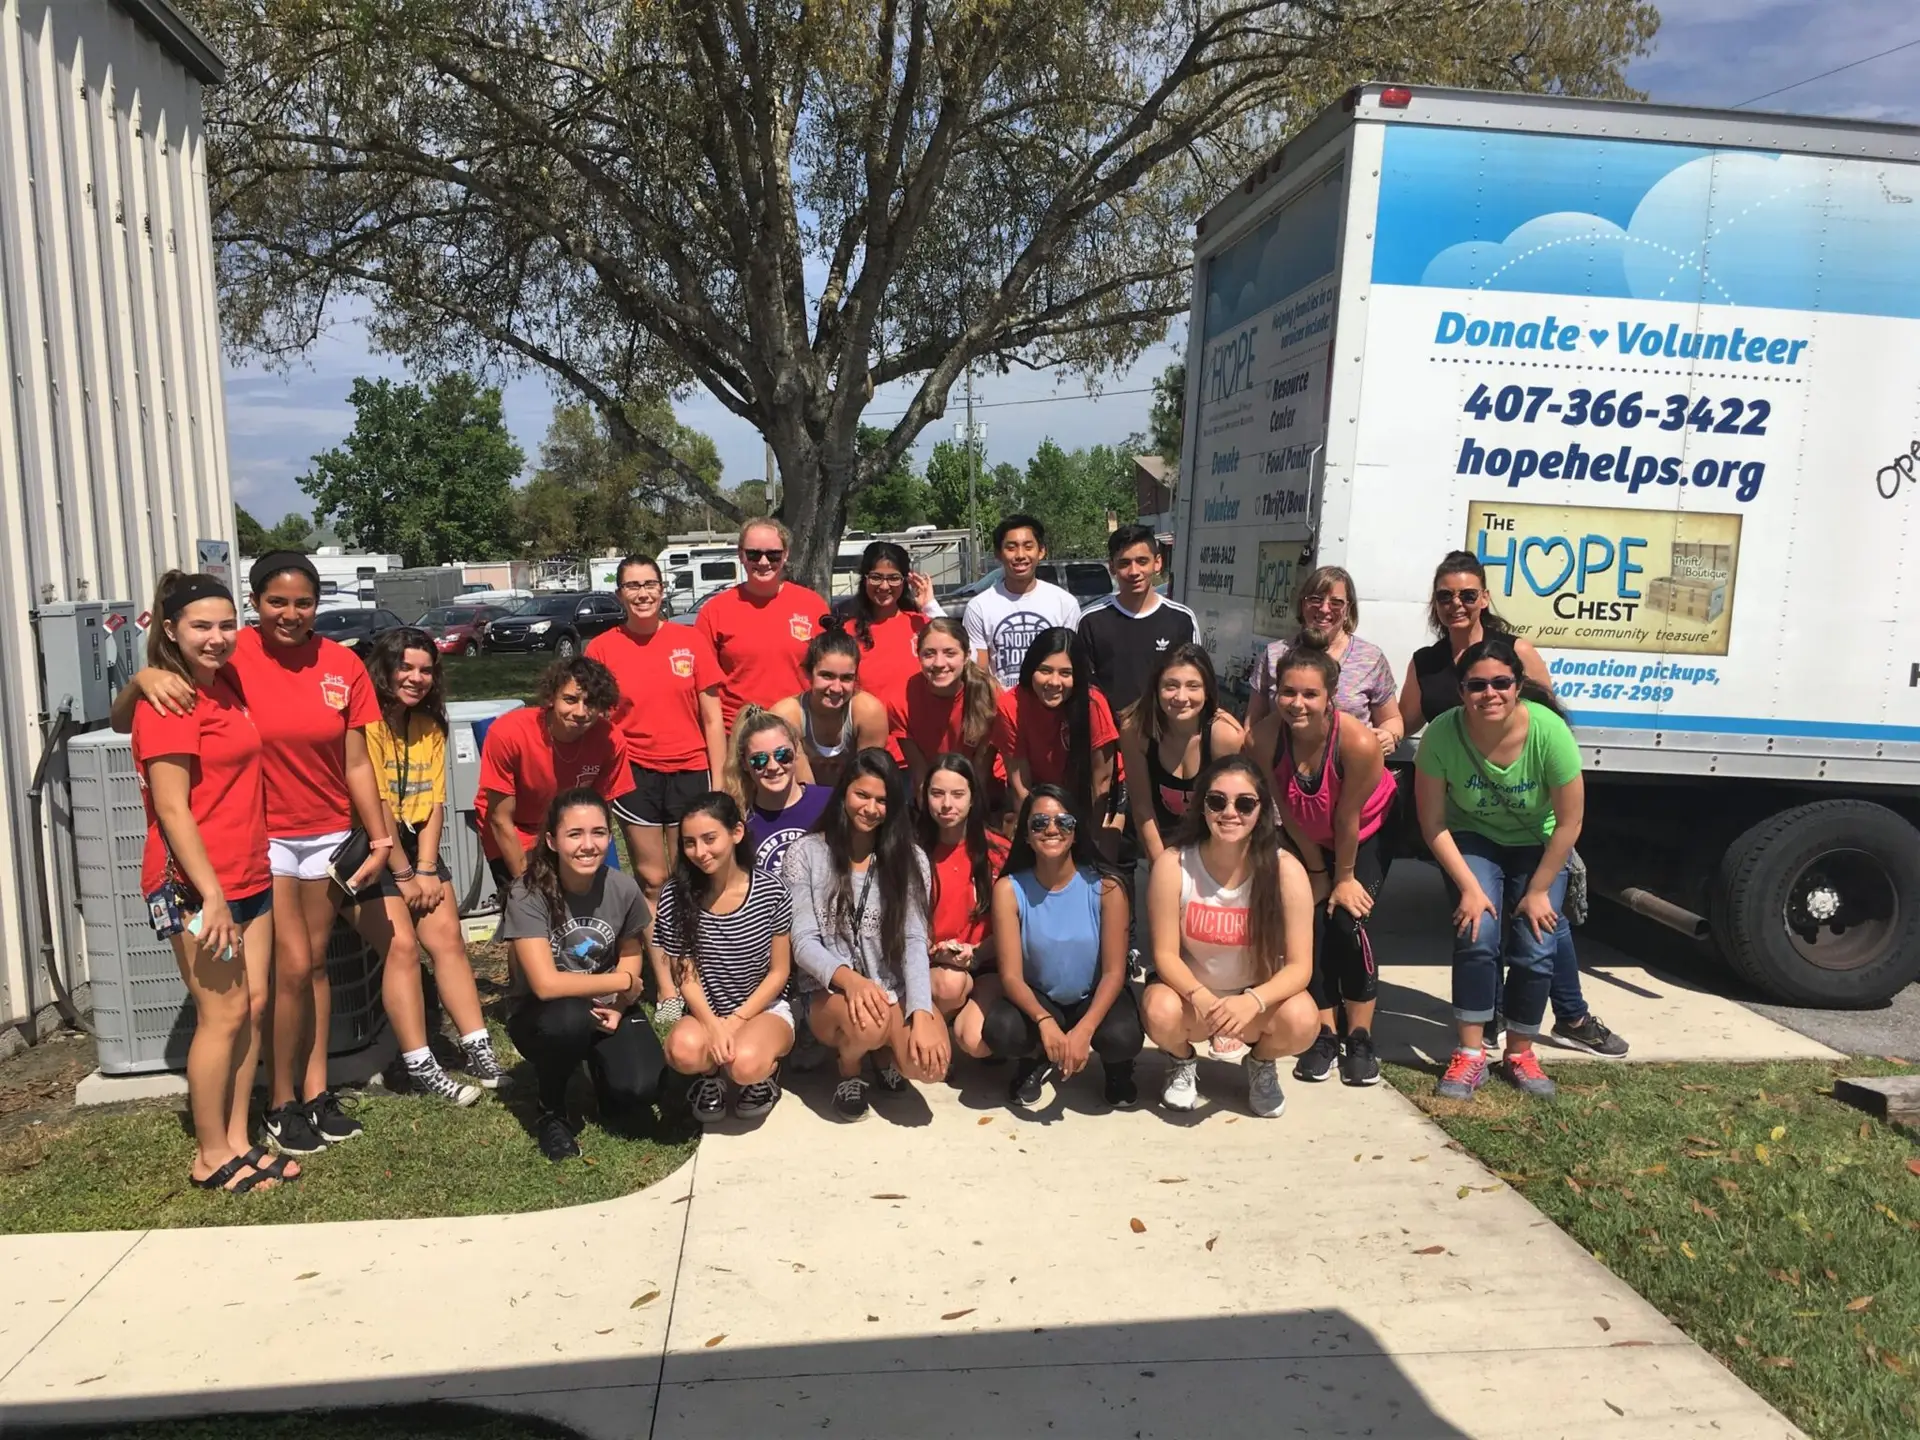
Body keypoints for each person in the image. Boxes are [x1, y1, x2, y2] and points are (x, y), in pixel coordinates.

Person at [115, 550, 394, 1158]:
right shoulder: (226, 662)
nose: (290, 614)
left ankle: (308, 1096)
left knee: (308, 968)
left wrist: (381, 837)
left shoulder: (334, 663)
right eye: (275, 602)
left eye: (303, 602)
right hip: (254, 845)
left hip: (315, 837)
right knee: (276, 980)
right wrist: (139, 677)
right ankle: (277, 1104)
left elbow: (356, 761)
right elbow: (149, 748)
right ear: (255, 604)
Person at [1397, 551, 1627, 1059]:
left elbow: (1543, 719)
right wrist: (1378, 735)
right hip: (1466, 815)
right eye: (1445, 596)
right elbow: (1405, 719)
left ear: (1483, 597)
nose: (1456, 604)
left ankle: (1570, 1014)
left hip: (1528, 819)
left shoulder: (1513, 651)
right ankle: (1496, 1017)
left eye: (1467, 594)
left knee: (1542, 919)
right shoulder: (1427, 662)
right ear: (1435, 604)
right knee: (1480, 919)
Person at [131, 572, 290, 1193]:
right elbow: (172, 810)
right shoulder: (168, 702)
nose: (218, 637)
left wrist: (134, 677)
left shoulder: (223, 682)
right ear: (170, 629)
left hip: (249, 869)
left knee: (250, 1008)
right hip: (197, 884)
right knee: (220, 1016)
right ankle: (209, 1154)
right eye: (202, 626)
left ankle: (239, 1139)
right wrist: (213, 896)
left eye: (228, 624)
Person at [1416, 640, 1587, 1103]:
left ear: (1518, 686)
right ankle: (1471, 1055)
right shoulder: (1441, 735)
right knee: (1477, 933)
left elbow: (1570, 822)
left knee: (1536, 942)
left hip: (1538, 842)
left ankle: (1520, 1052)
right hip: (1472, 836)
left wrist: (1539, 890)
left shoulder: (1549, 732)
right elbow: (1432, 823)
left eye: (1500, 683)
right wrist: (1468, 888)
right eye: (1476, 685)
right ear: (1460, 691)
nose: (1488, 693)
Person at [360, 628, 503, 1103]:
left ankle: (479, 1049)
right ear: (385, 668)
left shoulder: (431, 725)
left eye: (426, 670)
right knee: (402, 946)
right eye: (406, 668)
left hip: (413, 843)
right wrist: (403, 874)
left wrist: (425, 868)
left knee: (448, 939)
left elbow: (436, 803)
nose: (417, 678)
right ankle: (421, 1064)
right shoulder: (366, 725)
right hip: (366, 845)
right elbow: (375, 803)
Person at [588, 553, 728, 1021]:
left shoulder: (691, 642)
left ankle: (700, 974)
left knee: (692, 877)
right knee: (652, 881)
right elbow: (596, 718)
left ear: (663, 589)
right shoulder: (603, 649)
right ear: (620, 594)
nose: (643, 593)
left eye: (650, 584)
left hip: (691, 771)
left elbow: (713, 716)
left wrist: (721, 778)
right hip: (635, 776)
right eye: (632, 585)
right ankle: (666, 984)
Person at [1248, 648, 1397, 1087]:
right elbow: (1281, 806)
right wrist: (1315, 868)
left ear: (1331, 696)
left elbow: (1347, 816)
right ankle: (1325, 1032)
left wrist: (1344, 878)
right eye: (1287, 692)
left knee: (1348, 921)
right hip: (1307, 837)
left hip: (1365, 832)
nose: (1297, 703)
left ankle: (1361, 1035)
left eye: (1310, 694)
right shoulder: (1261, 739)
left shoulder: (1357, 742)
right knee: (1308, 923)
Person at [1141, 756, 1319, 1117]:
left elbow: (1300, 968)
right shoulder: (1174, 865)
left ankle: (1261, 1063)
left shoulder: (1286, 870)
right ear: (1202, 806)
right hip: (1193, 998)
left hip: (1253, 1002)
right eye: (1217, 801)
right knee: (1158, 1011)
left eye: (1245, 803)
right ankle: (1181, 1060)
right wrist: (1203, 998)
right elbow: (1164, 956)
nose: (1229, 812)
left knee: (1303, 1020)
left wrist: (1252, 1001)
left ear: (1261, 809)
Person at [782, 748, 950, 1121]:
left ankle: (884, 1052)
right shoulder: (807, 853)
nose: (871, 808)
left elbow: (913, 941)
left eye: (883, 800)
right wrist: (851, 982)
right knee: (868, 1024)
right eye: (862, 795)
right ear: (844, 793)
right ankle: (850, 1069)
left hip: (891, 988)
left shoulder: (911, 859)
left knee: (930, 1066)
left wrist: (921, 1012)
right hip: (831, 991)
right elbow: (803, 941)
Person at [501, 790, 662, 1161]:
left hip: (607, 1007)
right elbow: (546, 984)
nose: (588, 845)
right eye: (574, 834)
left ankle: (598, 1070)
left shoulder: (621, 887)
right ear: (551, 841)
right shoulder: (528, 893)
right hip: (544, 1014)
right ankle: (552, 1111)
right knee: (568, 1019)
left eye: (598, 833)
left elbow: (630, 950)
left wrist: (621, 1005)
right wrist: (623, 984)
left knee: (639, 1091)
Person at [980, 786, 1143, 1109]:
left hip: (1093, 994)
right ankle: (1035, 1058)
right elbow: (1011, 976)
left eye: (1063, 822)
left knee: (1123, 1037)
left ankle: (1117, 1069)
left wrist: (1085, 1029)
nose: (1052, 829)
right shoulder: (1009, 890)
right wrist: (1044, 1021)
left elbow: (1114, 972)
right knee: (1001, 1030)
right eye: (1039, 823)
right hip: (1041, 997)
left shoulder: (1107, 887)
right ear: (1025, 835)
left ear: (1076, 831)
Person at [655, 792, 796, 1122]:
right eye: (689, 843)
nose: (700, 852)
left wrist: (735, 1022)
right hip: (707, 1007)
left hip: (763, 1006)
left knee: (744, 1065)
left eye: (709, 839)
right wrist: (712, 1024)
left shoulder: (771, 890)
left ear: (736, 832)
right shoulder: (676, 895)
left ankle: (764, 1075)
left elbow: (779, 972)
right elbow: (685, 973)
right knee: (682, 1050)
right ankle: (710, 1077)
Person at [477, 656, 626, 892]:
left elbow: (599, 812)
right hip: (515, 828)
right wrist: (527, 888)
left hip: (569, 830)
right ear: (551, 698)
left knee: (584, 904)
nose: (580, 712)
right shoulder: (508, 733)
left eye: (591, 703)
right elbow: (500, 819)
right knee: (530, 907)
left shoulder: (609, 739)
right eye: (570, 700)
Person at [1246, 566, 1402, 755]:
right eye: (1315, 599)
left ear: (1347, 610)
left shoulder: (1370, 658)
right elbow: (1253, 723)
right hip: (1283, 771)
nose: (1324, 608)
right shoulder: (1275, 654)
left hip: (1352, 771)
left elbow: (1392, 719)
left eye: (1336, 602)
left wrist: (1390, 735)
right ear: (1303, 605)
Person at [1119, 644, 1245, 867]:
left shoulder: (1225, 736)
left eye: (1193, 686)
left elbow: (1230, 814)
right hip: (1161, 846)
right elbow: (1142, 809)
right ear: (1156, 689)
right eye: (1171, 686)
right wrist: (1162, 870)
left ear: (1207, 692)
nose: (1181, 697)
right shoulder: (1136, 731)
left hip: (1214, 847)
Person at [695, 519, 829, 729]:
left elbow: (828, 671)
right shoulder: (714, 611)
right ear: (741, 555)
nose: (764, 562)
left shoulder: (812, 605)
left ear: (785, 555)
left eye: (773, 554)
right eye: (754, 554)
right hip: (739, 733)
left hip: (799, 729)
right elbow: (703, 687)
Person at [917, 753, 1010, 1055]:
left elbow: (1018, 926)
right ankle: (939, 1030)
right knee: (949, 985)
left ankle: (965, 1021)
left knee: (977, 1043)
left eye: (958, 794)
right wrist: (933, 951)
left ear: (973, 798)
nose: (947, 804)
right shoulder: (912, 851)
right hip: (934, 968)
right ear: (924, 796)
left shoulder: (999, 851)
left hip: (985, 962)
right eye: (937, 793)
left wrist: (979, 953)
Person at [994, 627, 1118, 822]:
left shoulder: (1093, 702)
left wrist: (1089, 836)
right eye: (1045, 670)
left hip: (1097, 795)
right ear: (1030, 669)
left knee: (1099, 848)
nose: (1054, 682)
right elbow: (1021, 786)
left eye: (1066, 673)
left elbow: (1101, 780)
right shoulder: (1010, 705)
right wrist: (1036, 828)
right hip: (1040, 791)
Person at [1078, 523, 1197, 717]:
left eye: (1142, 561)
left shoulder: (1182, 619)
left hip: (1166, 737)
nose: (1134, 571)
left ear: (1157, 563)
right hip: (1112, 739)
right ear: (1112, 566)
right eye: (1124, 563)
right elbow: (1084, 689)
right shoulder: (1091, 621)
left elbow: (1195, 681)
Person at [963, 513, 1082, 687]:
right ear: (998, 553)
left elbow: (1071, 664)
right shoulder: (979, 607)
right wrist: (1004, 704)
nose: (1020, 555)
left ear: (1041, 551)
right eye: (1011, 547)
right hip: (1002, 709)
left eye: (1028, 546)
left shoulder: (1065, 603)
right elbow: (979, 671)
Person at [770, 619, 889, 789]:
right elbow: (804, 788)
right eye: (827, 676)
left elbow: (866, 781)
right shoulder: (786, 715)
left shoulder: (868, 712)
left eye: (846, 678)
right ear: (809, 674)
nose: (836, 688)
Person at [888, 617, 999, 794]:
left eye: (950, 653)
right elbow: (920, 774)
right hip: (933, 788)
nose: (939, 663)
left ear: (967, 655)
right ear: (918, 655)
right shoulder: (901, 700)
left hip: (981, 789)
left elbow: (981, 772)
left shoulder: (990, 696)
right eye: (929, 654)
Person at [837, 540, 945, 720]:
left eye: (894, 578)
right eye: (876, 577)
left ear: (905, 581)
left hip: (921, 734)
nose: (884, 586)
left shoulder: (922, 624)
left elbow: (963, 655)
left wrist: (930, 606)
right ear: (864, 579)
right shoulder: (847, 632)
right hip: (870, 737)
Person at [729, 709, 834, 876]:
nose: (772, 766)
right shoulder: (740, 819)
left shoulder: (830, 801)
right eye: (759, 760)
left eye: (783, 755)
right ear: (744, 764)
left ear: (796, 752)